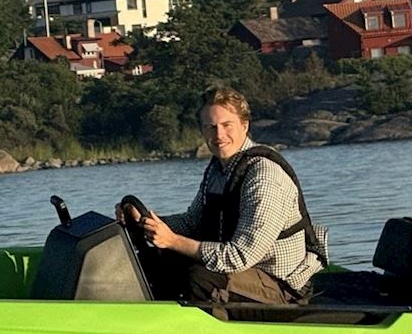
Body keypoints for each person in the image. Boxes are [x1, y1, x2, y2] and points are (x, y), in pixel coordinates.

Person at [121, 87, 326, 306]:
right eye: (210, 127)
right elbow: (192, 222)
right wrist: (145, 222)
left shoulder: (264, 177)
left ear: (244, 126)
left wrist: (172, 241)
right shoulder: (219, 169)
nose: (218, 135)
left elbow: (239, 257)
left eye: (226, 125)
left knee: (199, 278)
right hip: (245, 271)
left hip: (282, 285)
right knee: (161, 259)